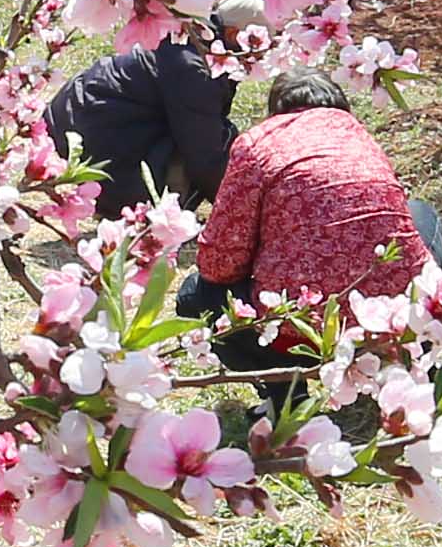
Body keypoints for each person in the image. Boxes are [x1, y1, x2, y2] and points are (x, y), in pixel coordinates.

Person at [182, 69, 425, 366]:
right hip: (396, 320)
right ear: (340, 106)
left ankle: (285, 393)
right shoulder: (359, 136)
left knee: (196, 296)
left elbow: (218, 265)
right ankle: (407, 369)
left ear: (275, 110)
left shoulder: (257, 145)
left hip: (297, 333)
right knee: (422, 214)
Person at [46, 0, 264, 214]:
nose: (261, 57)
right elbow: (206, 153)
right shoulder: (194, 70)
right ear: (234, 35)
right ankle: (150, 211)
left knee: (207, 132)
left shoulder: (182, 35)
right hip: (93, 135)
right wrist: (241, 212)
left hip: (72, 120)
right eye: (259, 47)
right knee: (212, 141)